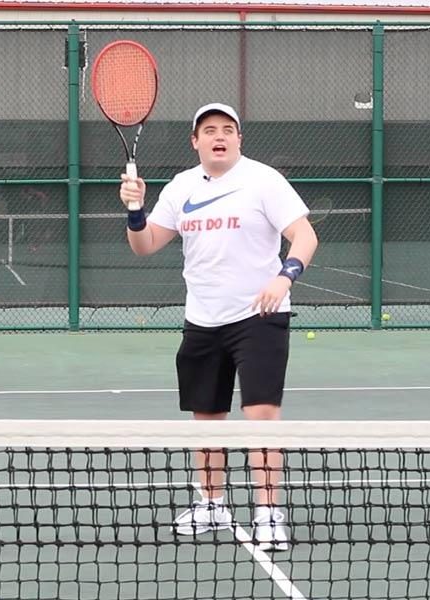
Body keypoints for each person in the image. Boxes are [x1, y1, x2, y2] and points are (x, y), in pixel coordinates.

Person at [119, 103, 318, 551]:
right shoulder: (180, 188)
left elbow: (305, 236)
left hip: (260, 317)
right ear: (195, 141)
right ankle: (211, 505)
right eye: (209, 130)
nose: (219, 136)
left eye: (228, 129)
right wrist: (135, 211)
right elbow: (145, 245)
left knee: (261, 416)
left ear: (239, 139)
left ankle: (268, 514)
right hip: (202, 320)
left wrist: (284, 276)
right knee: (207, 420)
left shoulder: (264, 180)